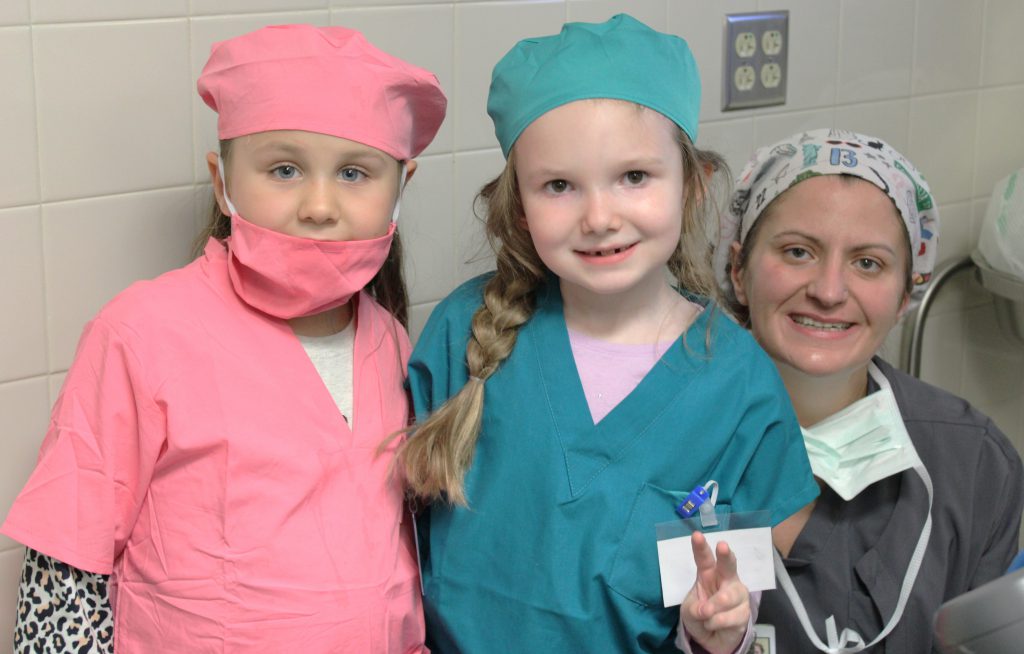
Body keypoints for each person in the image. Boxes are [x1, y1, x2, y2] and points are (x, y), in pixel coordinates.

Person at [1, 24, 446, 653]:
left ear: (403, 187)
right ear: (223, 181)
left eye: (354, 173)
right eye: (284, 170)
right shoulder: (143, 332)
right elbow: (64, 574)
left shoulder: (393, 343)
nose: (320, 206)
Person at [397, 15, 818, 654]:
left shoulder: (737, 385)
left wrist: (716, 629)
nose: (599, 217)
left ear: (692, 184)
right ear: (520, 205)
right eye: (559, 186)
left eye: (634, 177)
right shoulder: (464, 331)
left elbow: (736, 594)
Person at [717, 128, 1024, 652]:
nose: (829, 291)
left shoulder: (972, 463)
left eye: (868, 263)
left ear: (907, 293)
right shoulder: (665, 449)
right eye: (797, 251)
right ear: (738, 272)